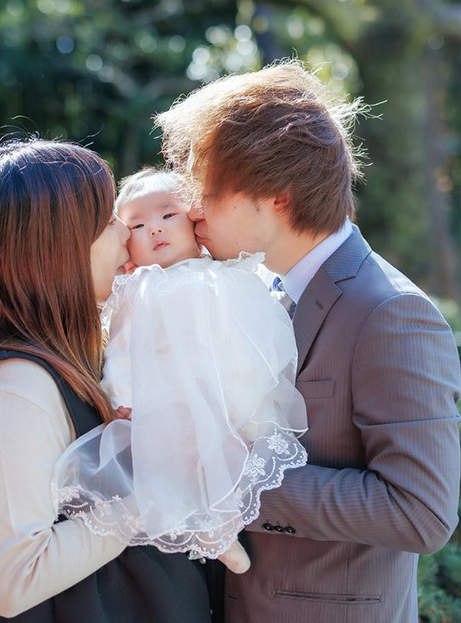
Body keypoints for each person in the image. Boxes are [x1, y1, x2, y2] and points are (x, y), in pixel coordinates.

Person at [154, 61, 461, 623]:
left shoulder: (392, 314)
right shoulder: (256, 290)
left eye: (207, 192)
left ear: (276, 196)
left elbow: (421, 512)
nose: (192, 210)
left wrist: (235, 478)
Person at [0, 139, 215, 623]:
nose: (126, 234)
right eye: (108, 222)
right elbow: (13, 580)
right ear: (60, 248)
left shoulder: (77, 357)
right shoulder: (15, 390)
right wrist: (152, 494)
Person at [52, 168, 308, 576]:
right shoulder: (139, 289)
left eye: (168, 215)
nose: (155, 229)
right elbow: (123, 350)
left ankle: (224, 518)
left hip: (229, 390)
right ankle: (214, 532)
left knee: (235, 454)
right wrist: (121, 396)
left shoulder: (226, 273)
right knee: (175, 463)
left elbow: (250, 329)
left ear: (195, 221)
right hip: (169, 401)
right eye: (137, 225)